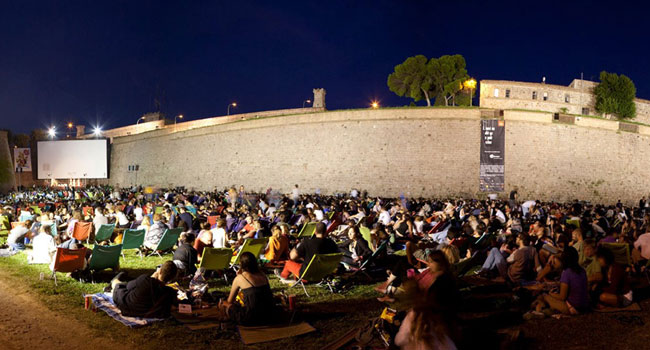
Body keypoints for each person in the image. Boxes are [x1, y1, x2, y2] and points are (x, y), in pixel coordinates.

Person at [220, 252, 279, 326]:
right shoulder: (262, 274)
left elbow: (230, 300)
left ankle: (225, 319)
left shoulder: (240, 278)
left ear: (241, 264)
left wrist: (239, 277)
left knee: (223, 303)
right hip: (269, 314)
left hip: (250, 318)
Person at [532, 247, 589, 315]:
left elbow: (562, 297)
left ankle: (539, 311)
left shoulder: (567, 272)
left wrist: (550, 293)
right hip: (584, 305)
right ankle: (542, 310)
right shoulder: (582, 270)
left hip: (573, 307)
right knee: (545, 297)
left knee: (543, 296)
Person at [112, 261, 178, 318]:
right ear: (171, 279)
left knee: (117, 283)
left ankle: (118, 277)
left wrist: (151, 277)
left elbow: (128, 286)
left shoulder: (145, 280)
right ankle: (121, 275)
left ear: (160, 271)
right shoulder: (169, 292)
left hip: (127, 305)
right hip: (143, 312)